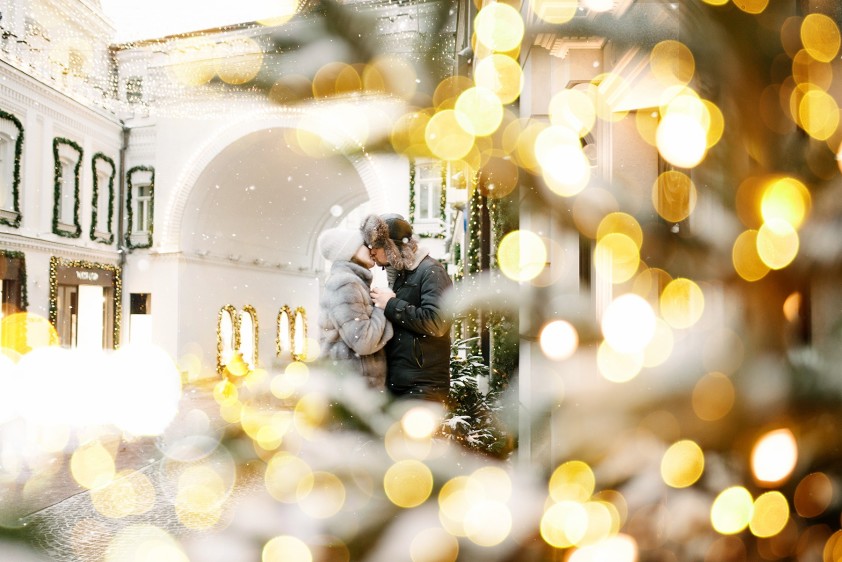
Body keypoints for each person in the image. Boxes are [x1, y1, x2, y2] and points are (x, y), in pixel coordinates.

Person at [361, 213, 452, 401]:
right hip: (401, 383)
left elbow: (437, 323)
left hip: (423, 386)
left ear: (391, 247)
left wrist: (391, 304)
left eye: (376, 246)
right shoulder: (402, 275)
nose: (372, 252)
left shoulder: (431, 271)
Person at [317, 227, 393, 390]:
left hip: (351, 387)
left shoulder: (354, 282)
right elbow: (363, 342)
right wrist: (383, 305)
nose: (372, 249)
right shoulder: (345, 283)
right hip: (351, 390)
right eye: (365, 244)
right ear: (349, 250)